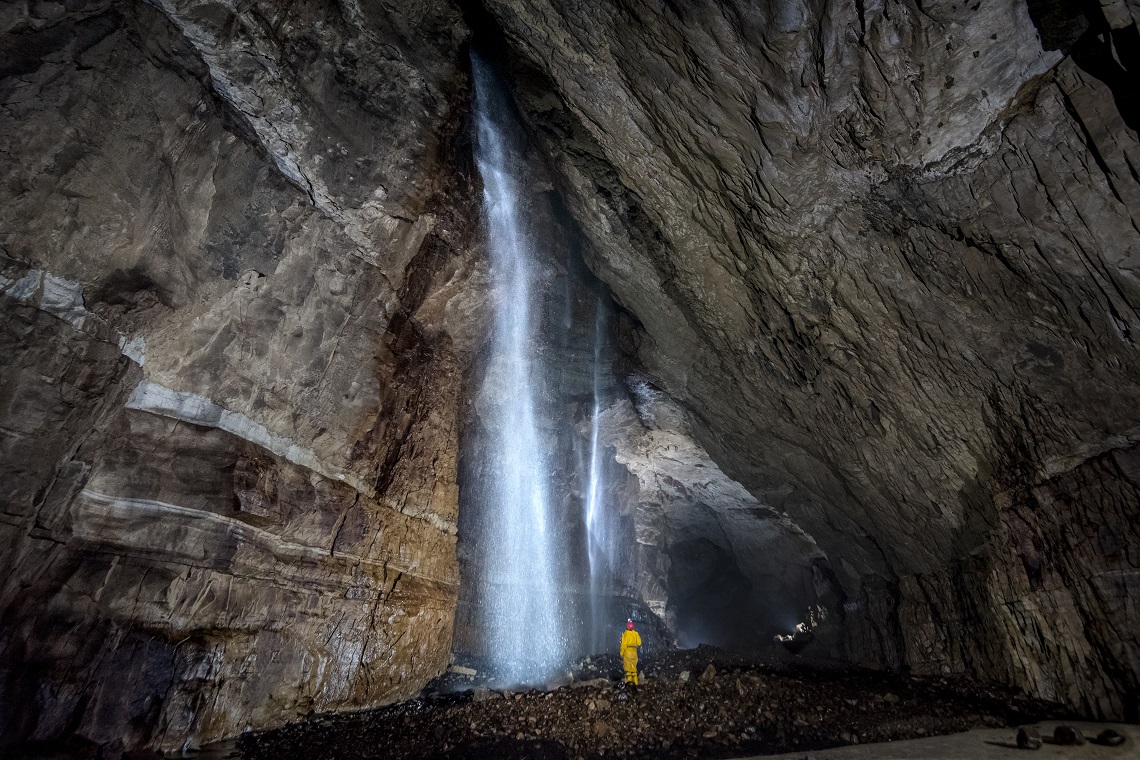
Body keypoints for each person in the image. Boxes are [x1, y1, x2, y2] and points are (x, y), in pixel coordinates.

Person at [619, 619, 642, 685]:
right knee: (634, 670)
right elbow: (639, 643)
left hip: (627, 652)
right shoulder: (636, 633)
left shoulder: (626, 634)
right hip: (634, 652)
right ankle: (636, 684)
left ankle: (630, 685)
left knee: (628, 671)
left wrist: (621, 653)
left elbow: (623, 644)